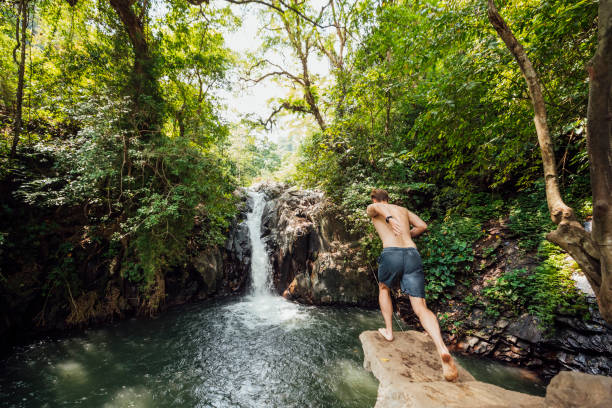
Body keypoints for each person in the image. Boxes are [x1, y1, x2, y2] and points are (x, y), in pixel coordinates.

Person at [366, 188, 458, 382]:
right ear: (389, 198)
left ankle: (389, 331)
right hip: (412, 254)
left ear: (375, 198)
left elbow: (376, 208)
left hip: (391, 253)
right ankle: (441, 348)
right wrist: (407, 234)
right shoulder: (404, 210)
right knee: (421, 307)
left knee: (384, 288)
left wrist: (389, 219)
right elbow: (423, 226)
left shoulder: (375, 207)